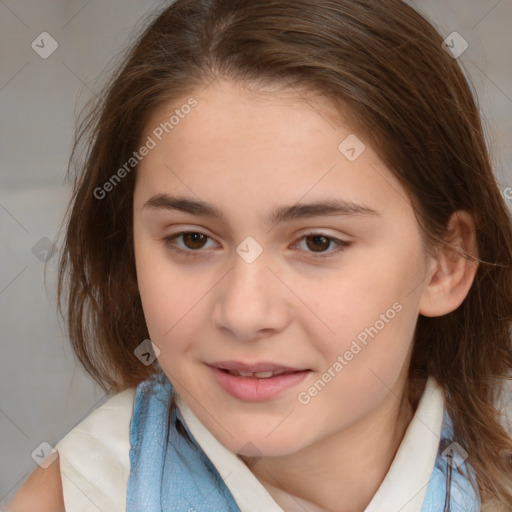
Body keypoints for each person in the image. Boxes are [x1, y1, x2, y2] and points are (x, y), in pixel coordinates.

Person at [8, 0, 512, 510]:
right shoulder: (76, 497)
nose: (245, 314)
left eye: (318, 242)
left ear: (445, 263)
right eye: (193, 239)